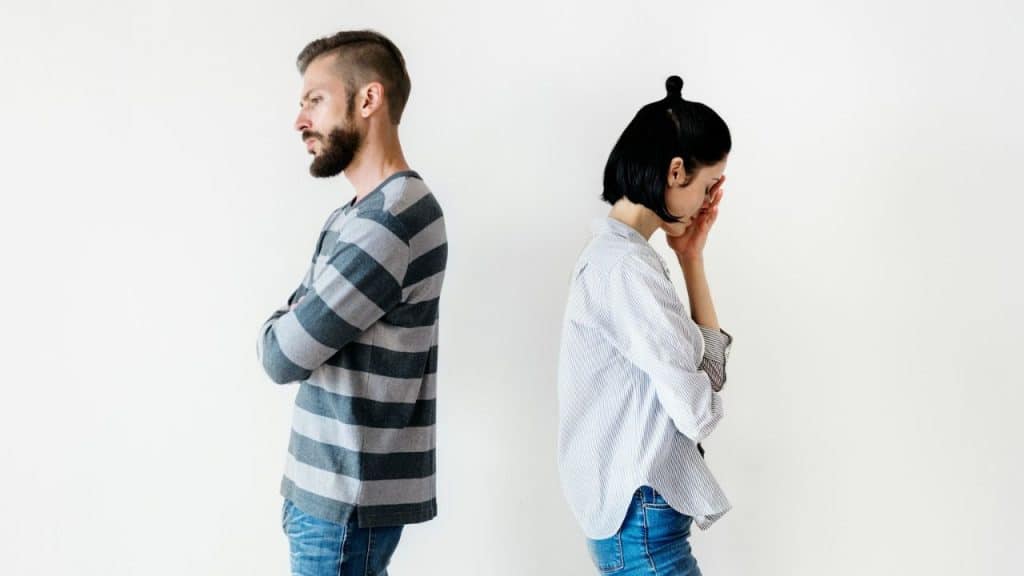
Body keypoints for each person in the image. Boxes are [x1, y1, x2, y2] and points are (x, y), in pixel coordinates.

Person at [256, 29, 447, 576]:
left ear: (369, 99)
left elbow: (282, 354)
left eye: (314, 100)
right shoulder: (354, 215)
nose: (299, 121)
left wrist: (285, 320)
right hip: (326, 493)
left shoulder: (392, 218)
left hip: (346, 499)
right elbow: (300, 329)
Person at [557, 76, 733, 575]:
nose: (706, 202)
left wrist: (691, 257)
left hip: (639, 517)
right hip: (643, 520)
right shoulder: (626, 270)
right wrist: (700, 387)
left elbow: (706, 378)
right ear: (676, 172)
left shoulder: (625, 259)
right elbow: (699, 412)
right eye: (707, 185)